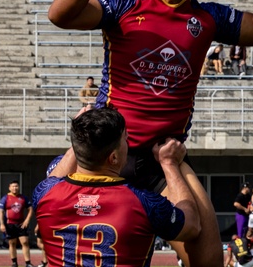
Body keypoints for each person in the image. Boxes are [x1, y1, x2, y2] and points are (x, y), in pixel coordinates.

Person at [47, 0, 253, 267]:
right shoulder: (123, 7)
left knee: (208, 259)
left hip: (164, 158)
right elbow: (59, 14)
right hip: (108, 153)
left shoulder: (207, 17)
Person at [33, 107, 200, 267]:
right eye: (125, 140)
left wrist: (81, 134)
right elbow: (192, 225)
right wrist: (169, 163)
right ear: (113, 158)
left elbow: (57, 174)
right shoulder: (143, 202)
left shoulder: (45, 193)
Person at [0, 181, 34, 267]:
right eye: (13, 186)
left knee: (25, 242)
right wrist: (2, 224)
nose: (15, 188)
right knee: (12, 243)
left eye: (16, 186)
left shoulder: (23, 198)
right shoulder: (5, 198)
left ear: (19, 187)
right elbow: (1, 211)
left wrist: (27, 220)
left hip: (21, 224)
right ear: (9, 187)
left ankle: (28, 263)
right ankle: (14, 262)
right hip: (10, 224)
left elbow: (30, 209)